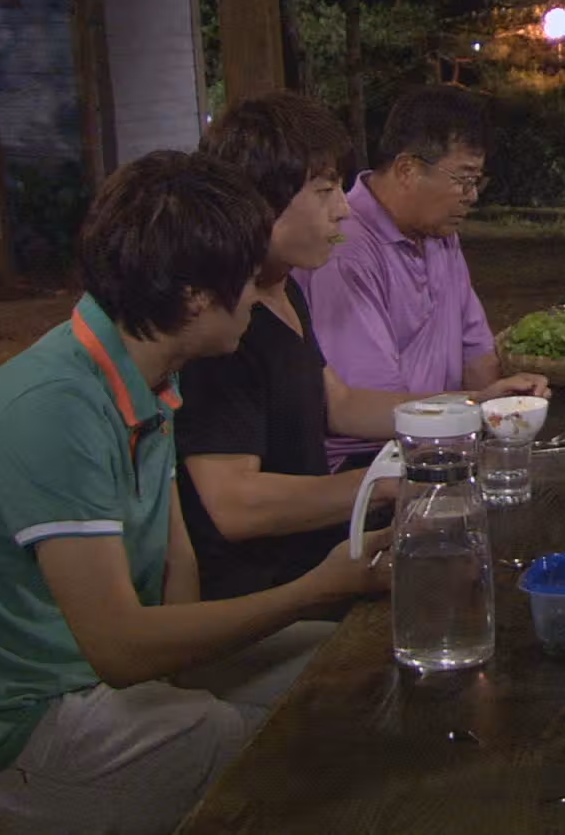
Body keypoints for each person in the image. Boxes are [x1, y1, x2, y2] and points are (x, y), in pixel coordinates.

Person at [0, 151, 391, 835]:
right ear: (193, 298)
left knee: (343, 670)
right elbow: (121, 648)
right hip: (21, 725)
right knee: (268, 752)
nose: (257, 297)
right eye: (247, 280)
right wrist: (316, 588)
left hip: (104, 674)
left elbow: (173, 564)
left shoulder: (148, 367)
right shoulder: (56, 407)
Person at [180, 91, 430, 601]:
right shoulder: (220, 326)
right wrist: (379, 485)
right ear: (260, 203)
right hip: (265, 594)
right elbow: (233, 504)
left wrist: (470, 409)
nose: (343, 210)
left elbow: (339, 404)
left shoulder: (285, 286)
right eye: (324, 190)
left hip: (320, 559)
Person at [296, 85, 546, 471]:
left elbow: (476, 352)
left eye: (477, 181)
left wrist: (510, 405)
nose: (472, 196)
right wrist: (476, 406)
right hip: (372, 458)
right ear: (407, 170)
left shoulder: (438, 232)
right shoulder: (346, 249)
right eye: (463, 179)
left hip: (446, 432)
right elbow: (372, 405)